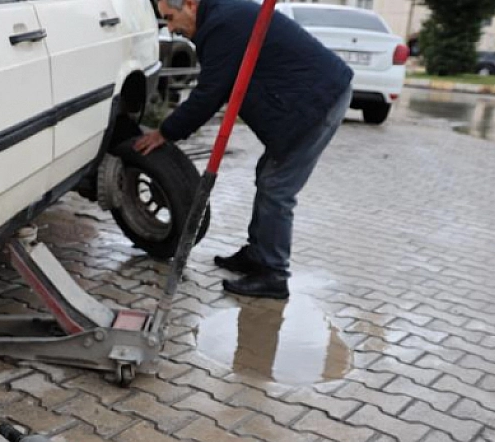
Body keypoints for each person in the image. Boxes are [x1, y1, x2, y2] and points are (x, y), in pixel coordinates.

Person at [135, 0, 353, 299]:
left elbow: (210, 93)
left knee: (276, 188)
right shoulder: (221, 17)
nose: (171, 29)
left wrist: (166, 132)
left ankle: (273, 274)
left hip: (317, 103)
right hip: (308, 98)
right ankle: (258, 255)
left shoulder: (223, 25)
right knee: (268, 176)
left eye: (171, 18)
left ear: (190, 4)